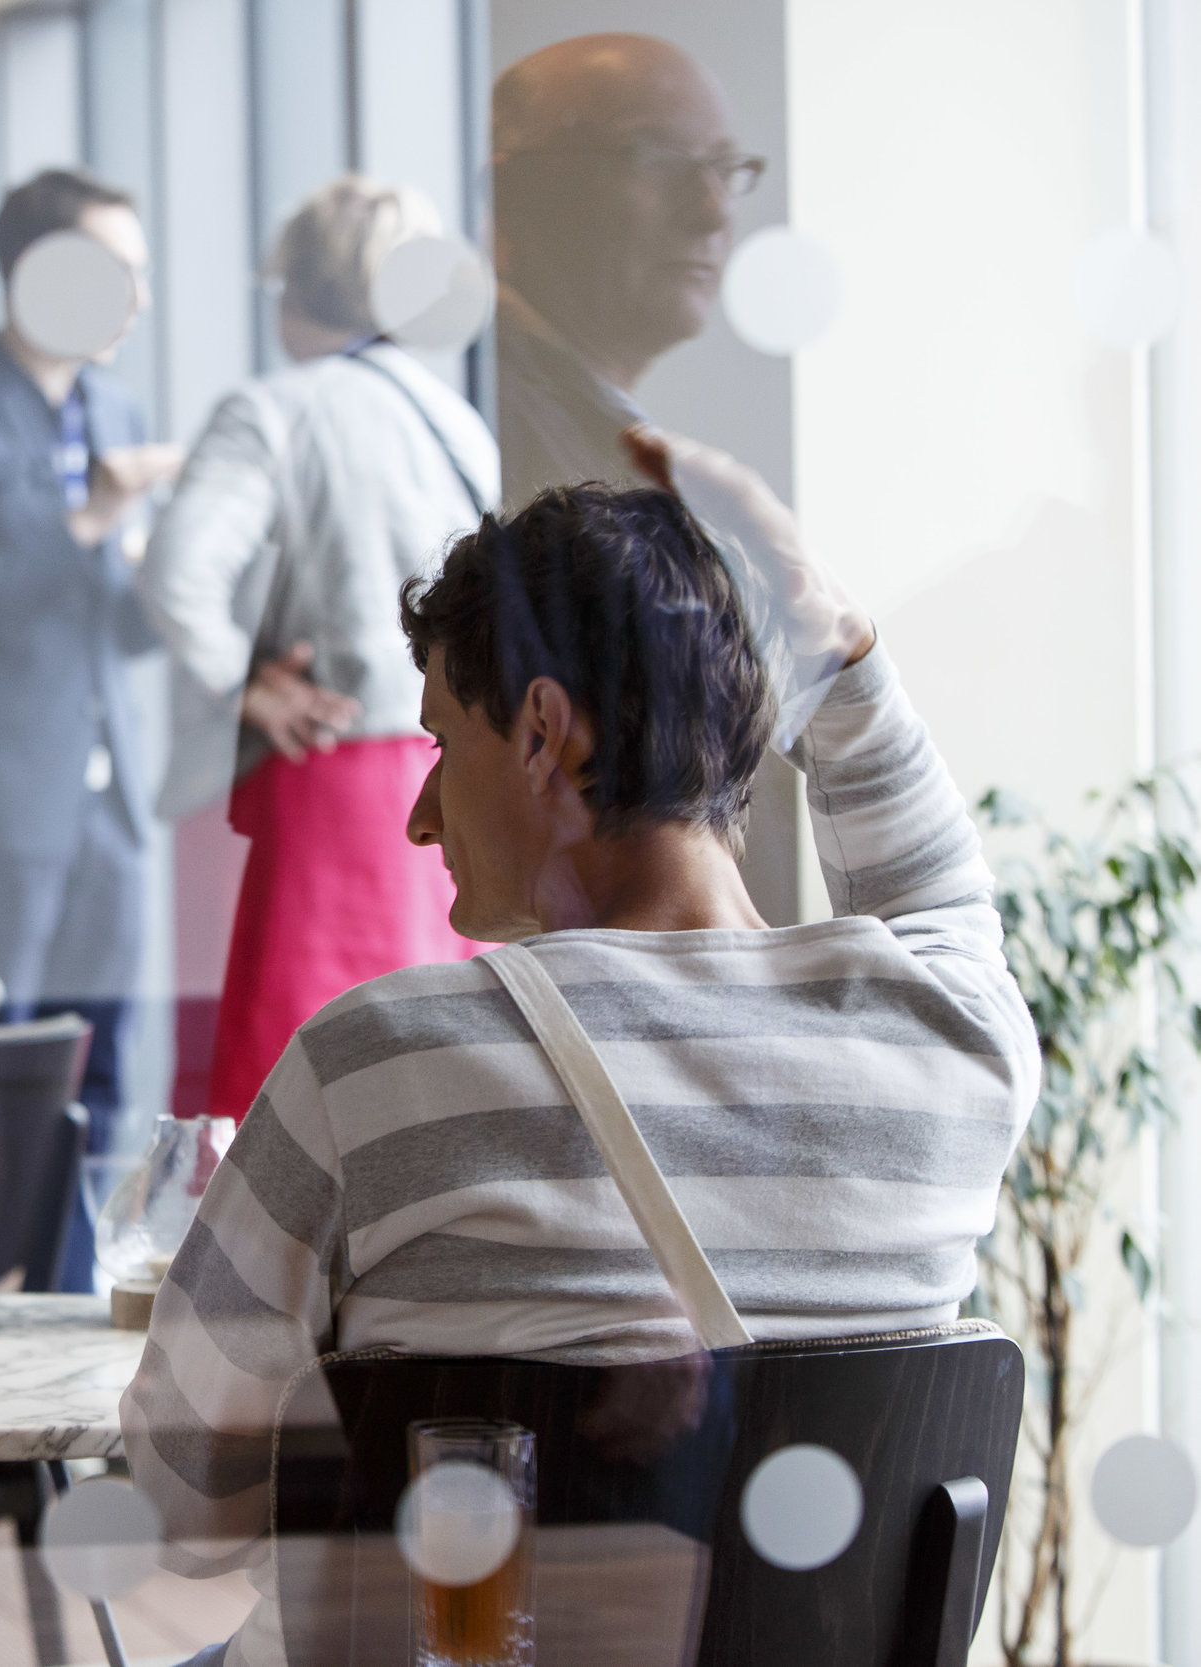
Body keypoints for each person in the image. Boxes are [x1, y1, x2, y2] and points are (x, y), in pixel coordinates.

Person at [121, 436, 1036, 1667]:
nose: (419, 810)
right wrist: (840, 649)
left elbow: (180, 1505)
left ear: (544, 732)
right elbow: (945, 904)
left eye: (443, 741)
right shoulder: (953, 1042)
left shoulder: (378, 1065)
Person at [140, 175, 496, 1124]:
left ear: (297, 289)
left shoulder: (275, 409)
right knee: (418, 1071)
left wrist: (242, 682)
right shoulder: (456, 420)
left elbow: (177, 574)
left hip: (315, 783)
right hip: (440, 767)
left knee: (283, 1077)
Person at [0, 168, 183, 1288]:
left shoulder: (118, 415)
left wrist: (180, 586)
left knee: (101, 1078)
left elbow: (105, 626)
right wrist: (92, 518)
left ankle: (62, 1321)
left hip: (106, 803)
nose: (137, 300)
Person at [491, 34, 760, 506]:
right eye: (654, 159)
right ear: (512, 188)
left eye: (723, 167)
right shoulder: (493, 425)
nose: (712, 211)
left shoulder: (583, 433)